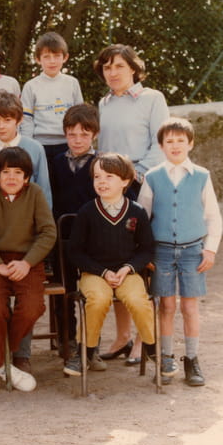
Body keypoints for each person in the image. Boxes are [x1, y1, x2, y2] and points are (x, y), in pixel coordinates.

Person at [93, 43, 169, 362]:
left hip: (143, 185)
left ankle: (142, 339)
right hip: (112, 189)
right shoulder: (103, 103)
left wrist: (133, 175)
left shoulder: (152, 99)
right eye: (107, 67)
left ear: (134, 69)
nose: (112, 72)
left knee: (143, 262)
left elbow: (160, 143)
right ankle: (122, 336)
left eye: (119, 66)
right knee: (116, 257)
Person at [138, 117, 222, 386]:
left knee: (189, 306)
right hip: (161, 252)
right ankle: (166, 358)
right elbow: (142, 218)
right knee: (166, 305)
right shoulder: (152, 177)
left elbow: (213, 216)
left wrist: (210, 250)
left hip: (192, 251)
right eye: (169, 141)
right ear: (161, 146)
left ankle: (192, 359)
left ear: (190, 144)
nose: (175, 146)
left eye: (180, 141)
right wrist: (145, 253)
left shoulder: (201, 176)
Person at [0, 147, 56, 391]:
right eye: (6, 172)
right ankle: (1, 363)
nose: (11, 177)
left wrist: (27, 262)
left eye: (18, 172)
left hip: (28, 261)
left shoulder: (35, 193)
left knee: (32, 307)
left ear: (26, 177)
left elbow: (48, 232)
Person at [63, 153, 156, 377]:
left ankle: (154, 350)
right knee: (97, 300)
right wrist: (102, 272)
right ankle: (85, 352)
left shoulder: (137, 211)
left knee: (138, 300)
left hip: (127, 273)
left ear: (125, 181)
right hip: (95, 274)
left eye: (109, 176)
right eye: (97, 177)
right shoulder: (87, 212)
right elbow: (75, 251)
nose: (102, 182)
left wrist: (128, 268)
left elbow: (147, 249)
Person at [49, 103, 100, 356]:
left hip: (93, 240)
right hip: (63, 239)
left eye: (84, 134)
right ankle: (66, 339)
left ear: (95, 135)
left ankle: (91, 345)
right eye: (72, 134)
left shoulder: (101, 164)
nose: (78, 140)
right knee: (65, 291)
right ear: (65, 134)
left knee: (93, 292)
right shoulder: (56, 162)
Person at [0, 91, 51, 208]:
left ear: (19, 120)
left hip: (28, 215)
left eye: (7, 120)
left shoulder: (35, 149)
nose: (1, 126)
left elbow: (44, 191)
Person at [20, 31, 84, 168]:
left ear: (65, 57)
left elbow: (80, 116)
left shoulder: (72, 83)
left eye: (57, 56)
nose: (52, 61)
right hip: (40, 145)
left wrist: (78, 141)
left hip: (68, 144)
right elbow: (26, 120)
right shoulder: (31, 86)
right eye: (46, 56)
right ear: (38, 59)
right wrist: (27, 147)